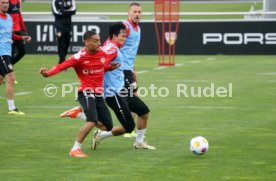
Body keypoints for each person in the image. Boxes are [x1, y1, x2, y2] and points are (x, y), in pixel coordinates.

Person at [60, 22, 156, 150]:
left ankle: (139, 142)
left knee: (143, 112)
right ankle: (89, 123)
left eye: (126, 36)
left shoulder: (114, 47)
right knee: (128, 127)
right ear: (114, 36)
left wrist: (131, 73)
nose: (125, 38)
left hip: (122, 89)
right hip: (113, 93)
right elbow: (95, 66)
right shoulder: (108, 49)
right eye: (123, 36)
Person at [39, 31, 119, 158]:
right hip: (85, 92)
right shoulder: (79, 57)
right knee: (92, 120)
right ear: (86, 42)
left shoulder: (102, 53)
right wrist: (47, 74)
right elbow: (61, 66)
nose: (99, 43)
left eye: (99, 40)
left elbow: (100, 66)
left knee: (107, 127)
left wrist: (110, 67)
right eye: (95, 41)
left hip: (98, 94)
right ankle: (75, 149)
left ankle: (78, 113)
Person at [0, 0, 31, 115]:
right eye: (2, 2)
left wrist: (22, 38)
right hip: (1, 53)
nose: (5, 5)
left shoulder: (8, 17)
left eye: (6, 3)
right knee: (11, 76)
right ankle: (12, 108)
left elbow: (10, 34)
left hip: (6, 52)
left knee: (1, 79)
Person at [8, 0, 28, 66]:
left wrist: (24, 29)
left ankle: (8, 66)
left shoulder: (18, 2)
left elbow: (19, 16)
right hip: (10, 32)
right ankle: (7, 68)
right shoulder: (6, 2)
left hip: (18, 31)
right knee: (11, 54)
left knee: (22, 52)